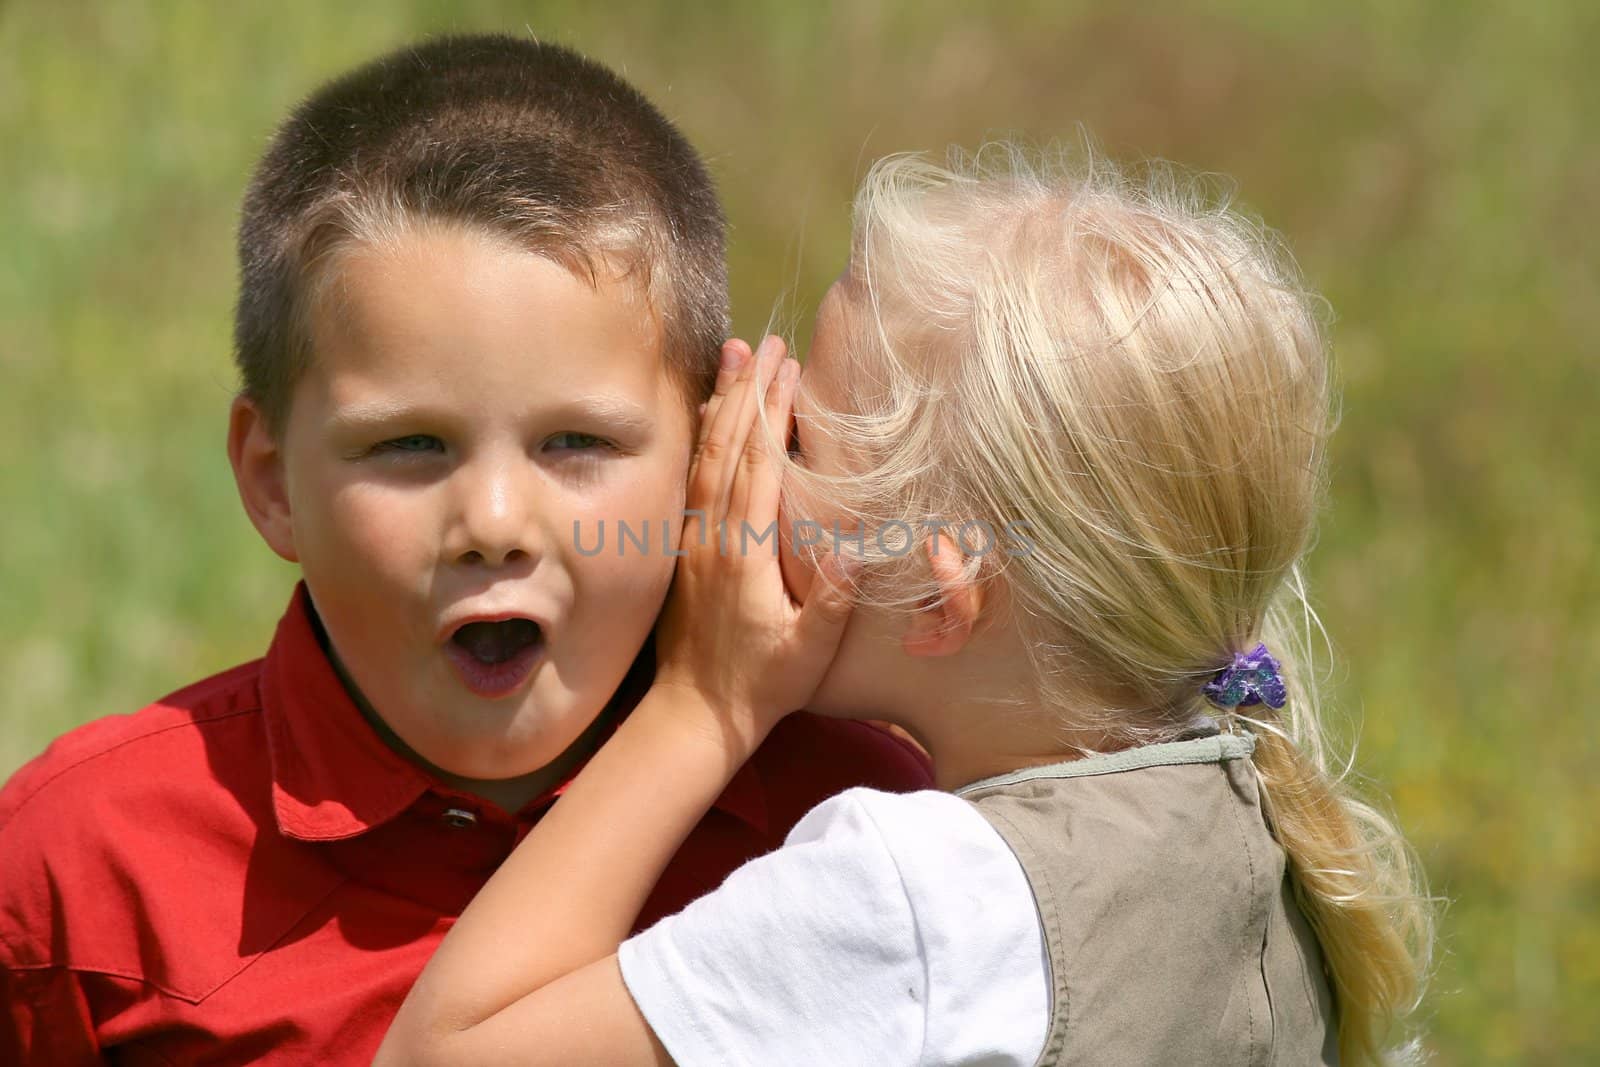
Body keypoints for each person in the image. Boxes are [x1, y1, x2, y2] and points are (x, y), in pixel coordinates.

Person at [377, 148, 1435, 1065]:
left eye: (794, 440)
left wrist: (702, 703)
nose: (728, 443)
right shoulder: (1247, 818)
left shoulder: (921, 902)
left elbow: (441, 1052)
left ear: (934, 591)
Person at [0, 35, 930, 1065]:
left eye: (576, 441)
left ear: (712, 455)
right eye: (408, 445)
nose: (492, 520)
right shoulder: (78, 868)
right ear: (272, 481)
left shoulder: (872, 827)